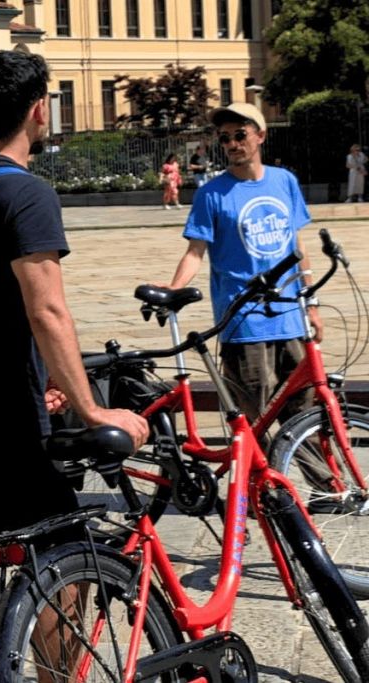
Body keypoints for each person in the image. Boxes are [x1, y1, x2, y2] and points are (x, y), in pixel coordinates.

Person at [0, 50, 148, 683]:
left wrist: (51, 376)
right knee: (64, 549)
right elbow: (47, 308)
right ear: (38, 110)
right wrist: (91, 406)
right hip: (3, 406)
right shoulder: (27, 193)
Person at [164, 102, 323, 456]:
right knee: (254, 421)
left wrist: (310, 303)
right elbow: (195, 251)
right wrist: (173, 290)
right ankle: (260, 495)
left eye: (240, 135)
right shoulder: (212, 194)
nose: (233, 144)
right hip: (244, 321)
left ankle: (323, 492)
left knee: (305, 415)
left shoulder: (284, 182)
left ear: (260, 136)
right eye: (225, 138)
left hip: (289, 317)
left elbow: (297, 246)